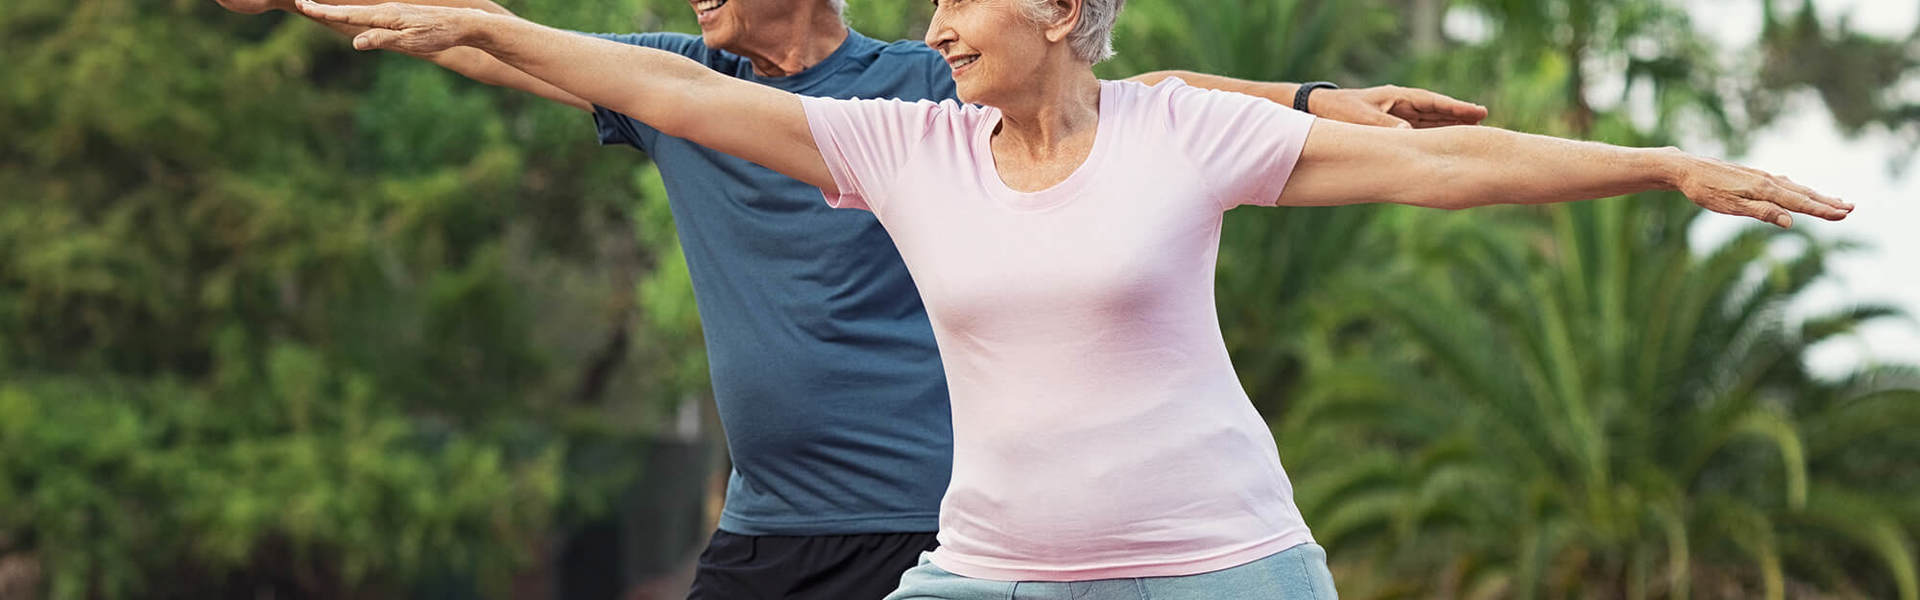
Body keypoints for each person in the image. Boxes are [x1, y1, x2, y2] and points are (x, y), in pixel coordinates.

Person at [288, 0, 1853, 596]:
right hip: (992, 576)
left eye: (961, 1)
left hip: (1224, 568)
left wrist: (1656, 166)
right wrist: (487, 21)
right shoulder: (904, 148)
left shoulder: (1184, 127)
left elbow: (1450, 174)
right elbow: (672, 93)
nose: (935, 24)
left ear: (1052, 13)